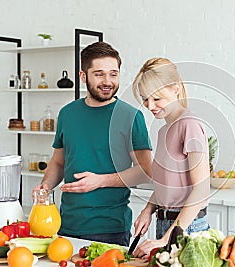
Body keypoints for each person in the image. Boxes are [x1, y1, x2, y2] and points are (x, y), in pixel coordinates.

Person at [32, 42, 152, 246]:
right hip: (66, 224)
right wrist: (46, 187)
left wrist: (100, 181)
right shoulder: (67, 114)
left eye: (113, 74)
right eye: (99, 74)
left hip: (110, 229)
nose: (108, 81)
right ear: (83, 76)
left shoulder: (131, 116)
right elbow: (59, 163)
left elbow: (146, 170)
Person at [131, 58, 211, 258]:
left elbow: (201, 189)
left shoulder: (189, 125)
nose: (150, 105)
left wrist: (168, 238)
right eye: (145, 99)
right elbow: (167, 184)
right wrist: (148, 210)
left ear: (175, 89)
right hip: (165, 224)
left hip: (187, 229)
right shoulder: (164, 130)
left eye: (157, 98)